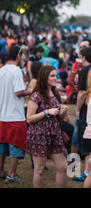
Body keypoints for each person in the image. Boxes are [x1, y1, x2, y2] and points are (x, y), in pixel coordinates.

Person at [26, 65, 69, 188]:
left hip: (54, 134)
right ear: (45, 77)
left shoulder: (54, 93)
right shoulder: (36, 95)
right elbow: (29, 118)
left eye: (56, 75)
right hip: (39, 135)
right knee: (39, 170)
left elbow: (57, 118)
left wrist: (62, 112)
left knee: (63, 166)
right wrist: (47, 112)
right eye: (52, 76)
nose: (56, 78)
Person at [0, 45, 32, 183]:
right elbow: (18, 92)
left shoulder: (1, 70)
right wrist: (29, 91)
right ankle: (12, 174)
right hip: (15, 116)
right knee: (16, 146)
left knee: (2, 146)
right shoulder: (16, 71)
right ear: (18, 55)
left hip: (2, 114)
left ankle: (1, 171)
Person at [74, 47, 91, 182]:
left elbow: (82, 93)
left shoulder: (85, 71)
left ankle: (86, 172)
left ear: (83, 57)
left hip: (86, 109)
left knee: (83, 141)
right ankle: (86, 171)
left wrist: (77, 109)